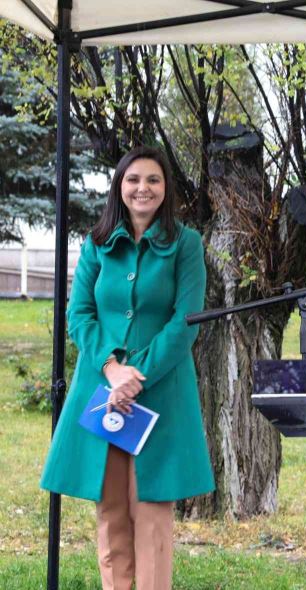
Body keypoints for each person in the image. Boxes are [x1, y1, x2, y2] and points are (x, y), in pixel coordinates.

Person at [40, 146, 214, 590]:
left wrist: (136, 376)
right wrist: (112, 369)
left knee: (152, 510)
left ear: (166, 188)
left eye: (153, 179)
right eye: (133, 179)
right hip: (103, 391)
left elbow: (186, 320)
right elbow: (80, 315)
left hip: (161, 392)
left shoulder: (186, 244)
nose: (143, 188)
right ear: (120, 186)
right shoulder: (97, 243)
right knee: (111, 508)